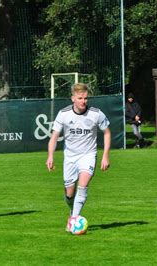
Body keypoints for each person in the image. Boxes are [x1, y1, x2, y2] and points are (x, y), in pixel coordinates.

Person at [46, 83, 110, 231]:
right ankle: (72, 209)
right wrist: (50, 156)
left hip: (88, 155)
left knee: (83, 187)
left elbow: (107, 132)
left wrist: (105, 156)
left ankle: (74, 220)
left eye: (86, 98)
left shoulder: (96, 113)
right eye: (80, 98)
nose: (83, 101)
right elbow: (54, 136)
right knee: (69, 194)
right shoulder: (63, 114)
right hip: (70, 157)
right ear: (73, 98)